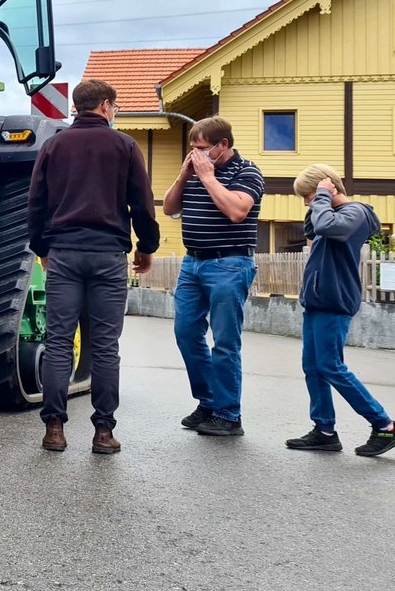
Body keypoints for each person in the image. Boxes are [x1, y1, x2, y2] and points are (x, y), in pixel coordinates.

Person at [28, 79, 159, 454]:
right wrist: (146, 247)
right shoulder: (124, 146)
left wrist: (42, 247)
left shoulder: (53, 146)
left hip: (64, 253)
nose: (114, 111)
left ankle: (54, 428)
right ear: (105, 105)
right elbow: (142, 204)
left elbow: (37, 203)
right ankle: (103, 432)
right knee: (104, 347)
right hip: (107, 256)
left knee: (58, 343)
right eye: (114, 106)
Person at [162, 116, 263, 437]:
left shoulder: (247, 171)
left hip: (229, 264)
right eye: (192, 148)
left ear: (223, 145)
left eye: (203, 148)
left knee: (225, 342)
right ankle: (209, 401)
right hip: (193, 264)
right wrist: (183, 175)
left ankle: (228, 414)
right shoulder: (193, 172)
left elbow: (237, 211)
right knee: (186, 332)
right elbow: (168, 208)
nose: (197, 154)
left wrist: (207, 177)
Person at [284, 164, 394, 457]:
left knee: (331, 366)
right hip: (318, 301)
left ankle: (384, 424)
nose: (307, 202)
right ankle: (324, 430)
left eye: (307, 195)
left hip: (335, 301)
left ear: (327, 188)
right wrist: (320, 199)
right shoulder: (329, 213)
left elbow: (326, 227)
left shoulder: (354, 213)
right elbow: (313, 226)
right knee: (313, 367)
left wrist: (321, 195)